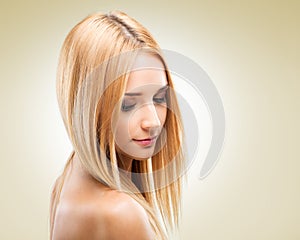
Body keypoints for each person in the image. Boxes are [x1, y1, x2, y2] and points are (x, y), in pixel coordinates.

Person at [50, 10, 186, 240]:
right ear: (88, 107)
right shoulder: (119, 211)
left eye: (160, 98)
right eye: (128, 105)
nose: (152, 122)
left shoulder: (67, 179)